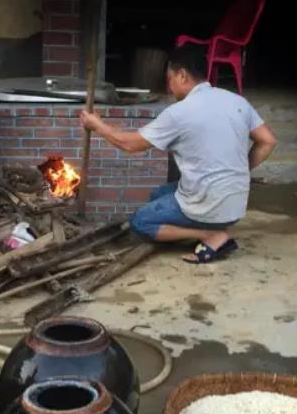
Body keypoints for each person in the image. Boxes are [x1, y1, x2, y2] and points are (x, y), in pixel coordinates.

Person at [79, 46, 278, 264]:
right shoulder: (237, 101)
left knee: (140, 222)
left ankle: (210, 235)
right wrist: (239, 171)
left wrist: (97, 125)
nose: (170, 88)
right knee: (159, 194)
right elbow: (268, 141)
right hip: (236, 205)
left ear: (182, 75)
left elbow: (129, 144)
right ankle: (210, 225)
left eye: (170, 79)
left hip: (208, 202)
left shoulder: (180, 112)